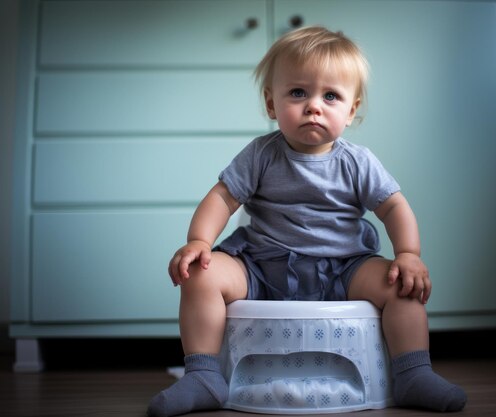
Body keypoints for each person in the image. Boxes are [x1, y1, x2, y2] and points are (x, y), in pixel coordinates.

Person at [148, 26, 466, 417]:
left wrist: (408, 253)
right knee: (200, 275)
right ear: (271, 103)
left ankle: (412, 372)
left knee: (402, 285)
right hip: (263, 265)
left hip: (344, 267)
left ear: (351, 110)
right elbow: (221, 198)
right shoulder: (261, 154)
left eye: (330, 96)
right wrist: (198, 241)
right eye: (298, 93)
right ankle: (202, 375)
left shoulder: (356, 162)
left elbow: (394, 208)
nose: (314, 105)